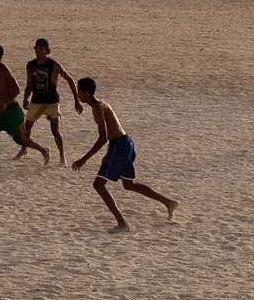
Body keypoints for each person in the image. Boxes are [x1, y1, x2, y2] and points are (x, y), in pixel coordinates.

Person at [70, 76, 178, 229]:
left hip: (119, 145)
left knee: (98, 185)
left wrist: (84, 159)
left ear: (86, 93)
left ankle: (122, 223)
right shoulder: (101, 104)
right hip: (125, 143)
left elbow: (103, 138)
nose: (77, 94)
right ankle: (168, 202)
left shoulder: (97, 108)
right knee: (128, 184)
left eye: (78, 91)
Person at [0, 44, 49, 172]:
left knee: (22, 140)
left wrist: (4, 102)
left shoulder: (4, 70)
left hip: (12, 111)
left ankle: (43, 149)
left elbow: (17, 90)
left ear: (0, 57)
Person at [16, 38, 82, 164]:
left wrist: (76, 100)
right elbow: (29, 85)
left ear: (47, 50)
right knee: (26, 129)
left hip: (51, 102)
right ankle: (23, 149)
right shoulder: (30, 65)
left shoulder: (54, 65)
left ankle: (62, 157)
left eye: (41, 49)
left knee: (55, 130)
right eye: (36, 48)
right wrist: (25, 98)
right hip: (36, 101)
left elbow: (70, 80)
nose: (38, 51)